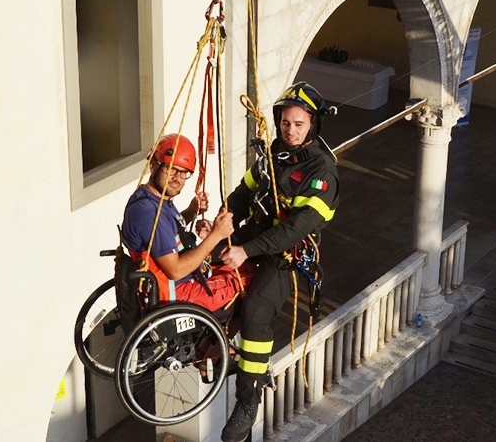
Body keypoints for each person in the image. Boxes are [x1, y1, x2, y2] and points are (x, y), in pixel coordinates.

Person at [220, 82, 339, 442]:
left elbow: (293, 230)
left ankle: (248, 401)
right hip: (256, 236)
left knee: (256, 311)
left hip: (286, 256)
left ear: (313, 125)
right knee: (204, 262)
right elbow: (243, 194)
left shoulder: (322, 172)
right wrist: (221, 223)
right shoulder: (274, 154)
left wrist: (245, 251)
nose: (290, 131)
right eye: (285, 123)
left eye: (299, 124)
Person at [121, 133, 254, 313]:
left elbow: (165, 231)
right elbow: (176, 270)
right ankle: (225, 332)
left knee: (244, 265)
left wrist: (191, 211)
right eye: (171, 169)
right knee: (255, 279)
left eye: (184, 173)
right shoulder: (149, 213)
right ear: (153, 165)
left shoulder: (151, 199)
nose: (177, 178)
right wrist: (216, 235)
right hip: (180, 292)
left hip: (186, 279)